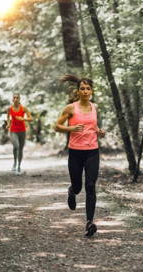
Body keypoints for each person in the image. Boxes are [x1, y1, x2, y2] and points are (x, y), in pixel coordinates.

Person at [55, 75, 105, 237]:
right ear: (78, 91)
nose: (85, 91)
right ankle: (71, 191)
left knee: (90, 185)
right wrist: (71, 129)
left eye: (88, 88)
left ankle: (90, 222)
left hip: (92, 151)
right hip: (75, 152)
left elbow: (93, 125)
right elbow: (57, 126)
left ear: (92, 91)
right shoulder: (71, 108)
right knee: (77, 187)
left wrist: (99, 131)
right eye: (82, 88)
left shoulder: (94, 107)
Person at [6, 93, 33, 175]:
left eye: (17, 98)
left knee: (20, 149)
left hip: (22, 131)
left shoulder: (24, 108)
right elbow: (8, 117)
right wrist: (8, 124)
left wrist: (23, 119)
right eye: (14, 98)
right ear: (12, 99)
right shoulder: (10, 109)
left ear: (19, 99)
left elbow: (31, 118)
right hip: (13, 130)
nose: (15, 99)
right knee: (16, 146)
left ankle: (18, 166)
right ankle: (14, 162)